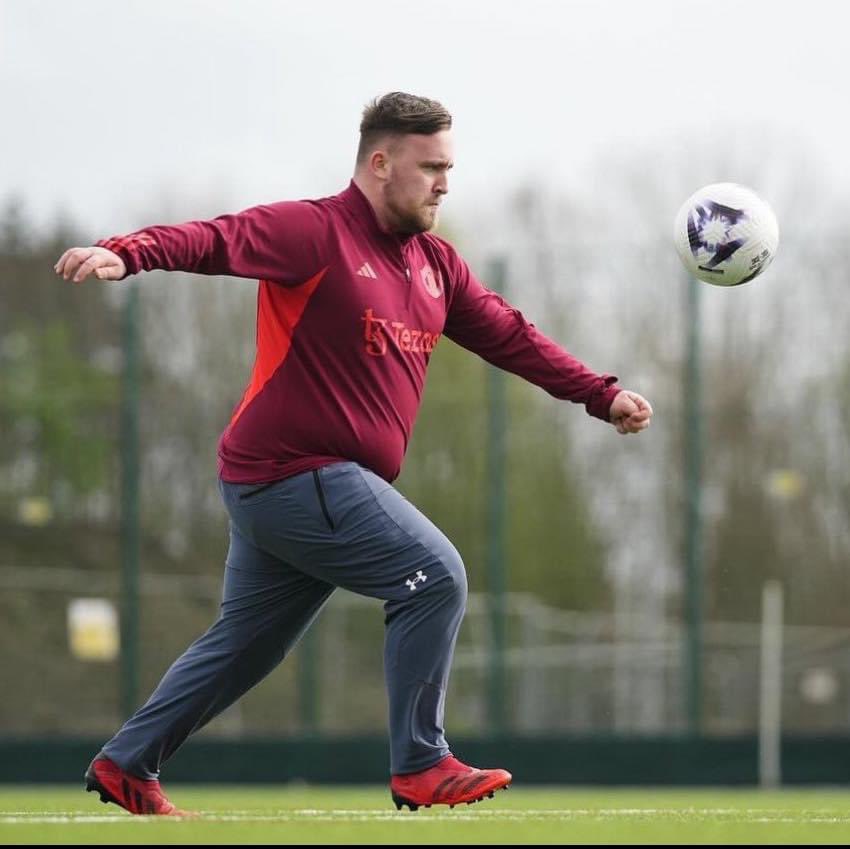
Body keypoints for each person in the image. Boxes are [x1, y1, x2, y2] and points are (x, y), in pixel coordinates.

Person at [55, 91, 652, 816]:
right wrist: (126, 251)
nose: (444, 182)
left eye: (449, 167)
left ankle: (127, 763)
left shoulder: (437, 265)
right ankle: (421, 762)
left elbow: (511, 334)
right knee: (433, 575)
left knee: (247, 644)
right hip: (290, 470)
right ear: (379, 161)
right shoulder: (314, 231)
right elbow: (217, 238)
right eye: (430, 166)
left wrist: (600, 394)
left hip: (300, 484)